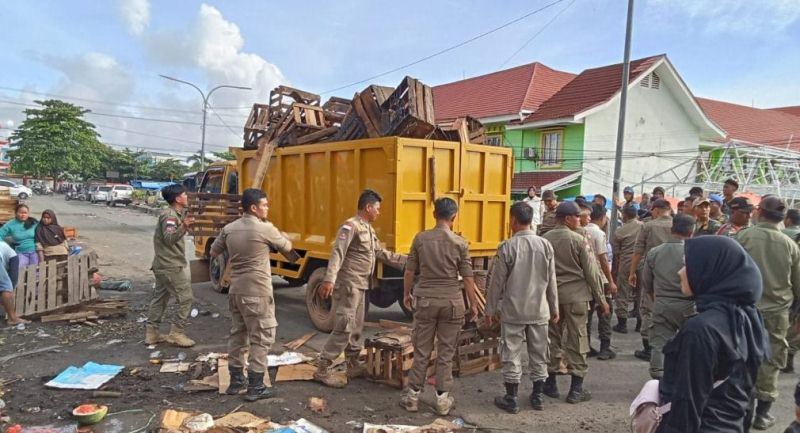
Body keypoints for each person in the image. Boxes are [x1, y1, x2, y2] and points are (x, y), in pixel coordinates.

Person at [655, 236, 768, 433]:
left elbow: (687, 403)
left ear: (709, 270)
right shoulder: (747, 319)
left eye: (687, 265)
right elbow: (747, 393)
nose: (680, 272)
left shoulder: (700, 329)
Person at [315, 190, 406, 388]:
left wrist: (407, 261)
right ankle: (323, 367)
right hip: (349, 285)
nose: (379, 213)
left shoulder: (369, 230)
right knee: (344, 326)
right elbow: (338, 253)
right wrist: (329, 279)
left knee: (356, 327)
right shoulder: (351, 226)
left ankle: (353, 364)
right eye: (378, 209)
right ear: (368, 207)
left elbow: (381, 254)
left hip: (362, 285)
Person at [210, 189, 294, 401]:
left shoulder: (229, 229)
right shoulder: (265, 228)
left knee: (238, 335)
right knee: (261, 337)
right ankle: (256, 387)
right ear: (254, 207)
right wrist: (281, 237)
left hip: (236, 290)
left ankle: (236, 381)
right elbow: (288, 249)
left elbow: (214, 251)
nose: (267, 208)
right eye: (265, 205)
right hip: (257, 291)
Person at [399, 197, 478, 416]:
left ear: (434, 214)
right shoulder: (460, 243)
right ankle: (442, 401)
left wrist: (407, 294)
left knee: (422, 350)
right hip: (452, 302)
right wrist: (473, 304)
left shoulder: (421, 239)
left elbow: (409, 271)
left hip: (425, 300)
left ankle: (412, 397)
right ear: (454, 217)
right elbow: (468, 277)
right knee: (446, 352)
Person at [486, 202, 558, 413]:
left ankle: (512, 398)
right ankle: (537, 397)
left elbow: (496, 283)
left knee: (512, 353)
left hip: (514, 312)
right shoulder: (545, 246)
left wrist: (489, 310)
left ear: (514, 220)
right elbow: (552, 280)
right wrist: (555, 307)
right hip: (539, 311)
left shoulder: (507, 247)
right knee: (539, 353)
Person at [736, 196, 800, 430]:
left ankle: (739, 405)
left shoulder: (743, 236)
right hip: (777, 312)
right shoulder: (790, 245)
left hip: (745, 308)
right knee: (771, 359)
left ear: (760, 212)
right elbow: (798, 283)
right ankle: (762, 414)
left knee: (740, 354)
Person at [542, 201, 608, 404]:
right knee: (578, 339)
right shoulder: (579, 240)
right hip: (577, 297)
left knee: (552, 338)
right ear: (568, 218)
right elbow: (592, 272)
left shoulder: (544, 240)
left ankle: (550, 383)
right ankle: (576, 389)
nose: (580, 220)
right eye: (577, 217)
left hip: (551, 297)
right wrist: (602, 299)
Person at [640, 214, 696, 379]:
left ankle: (659, 377)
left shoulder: (655, 252)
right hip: (690, 305)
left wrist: (656, 297)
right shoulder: (694, 252)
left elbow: (646, 281)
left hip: (663, 303)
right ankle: (686, 377)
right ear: (692, 232)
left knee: (659, 343)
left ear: (672, 229)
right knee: (690, 343)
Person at [146, 184, 196, 348]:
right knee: (186, 298)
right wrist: (185, 226)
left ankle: (152, 333)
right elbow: (169, 238)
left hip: (162, 264)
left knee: (160, 298)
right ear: (177, 199)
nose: (187, 197)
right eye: (184, 194)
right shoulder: (170, 216)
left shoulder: (174, 214)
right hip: (170, 266)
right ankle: (176, 333)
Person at [629, 199, 673, 361]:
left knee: (648, 308)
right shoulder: (677, 225)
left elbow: (638, 250)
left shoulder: (648, 226)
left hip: (652, 271)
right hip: (675, 274)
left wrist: (632, 272)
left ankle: (648, 348)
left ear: (656, 210)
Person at [584, 204, 617, 360]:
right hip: (601, 279)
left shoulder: (582, 231)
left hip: (585, 279)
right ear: (603, 218)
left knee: (587, 315)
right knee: (605, 312)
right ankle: (605, 347)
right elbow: (603, 259)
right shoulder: (599, 234)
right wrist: (610, 281)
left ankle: (586, 346)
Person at [612, 205, 644, 334]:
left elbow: (617, 252)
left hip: (626, 262)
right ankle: (640, 323)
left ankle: (622, 324)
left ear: (624, 215)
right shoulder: (644, 226)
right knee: (641, 292)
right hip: (642, 261)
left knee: (623, 292)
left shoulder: (620, 231)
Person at [0, 241, 23, 325]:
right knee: (6, 286)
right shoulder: (13, 254)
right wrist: (9, 290)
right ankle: (12, 319)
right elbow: (13, 276)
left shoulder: (3, 247)